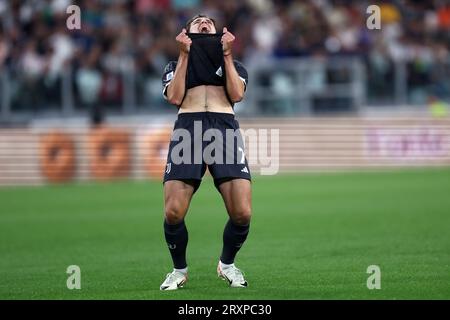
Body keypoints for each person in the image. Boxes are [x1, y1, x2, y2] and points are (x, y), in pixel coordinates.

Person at [159, 14, 252, 290]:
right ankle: (178, 270)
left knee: (242, 213)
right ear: (187, 31)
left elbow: (236, 95)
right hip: (189, 128)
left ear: (216, 30)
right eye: (197, 21)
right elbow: (175, 98)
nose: (203, 22)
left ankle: (227, 265)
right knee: (173, 212)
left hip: (224, 128)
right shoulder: (175, 65)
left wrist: (226, 54)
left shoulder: (235, 65)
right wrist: (184, 54)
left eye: (208, 21)